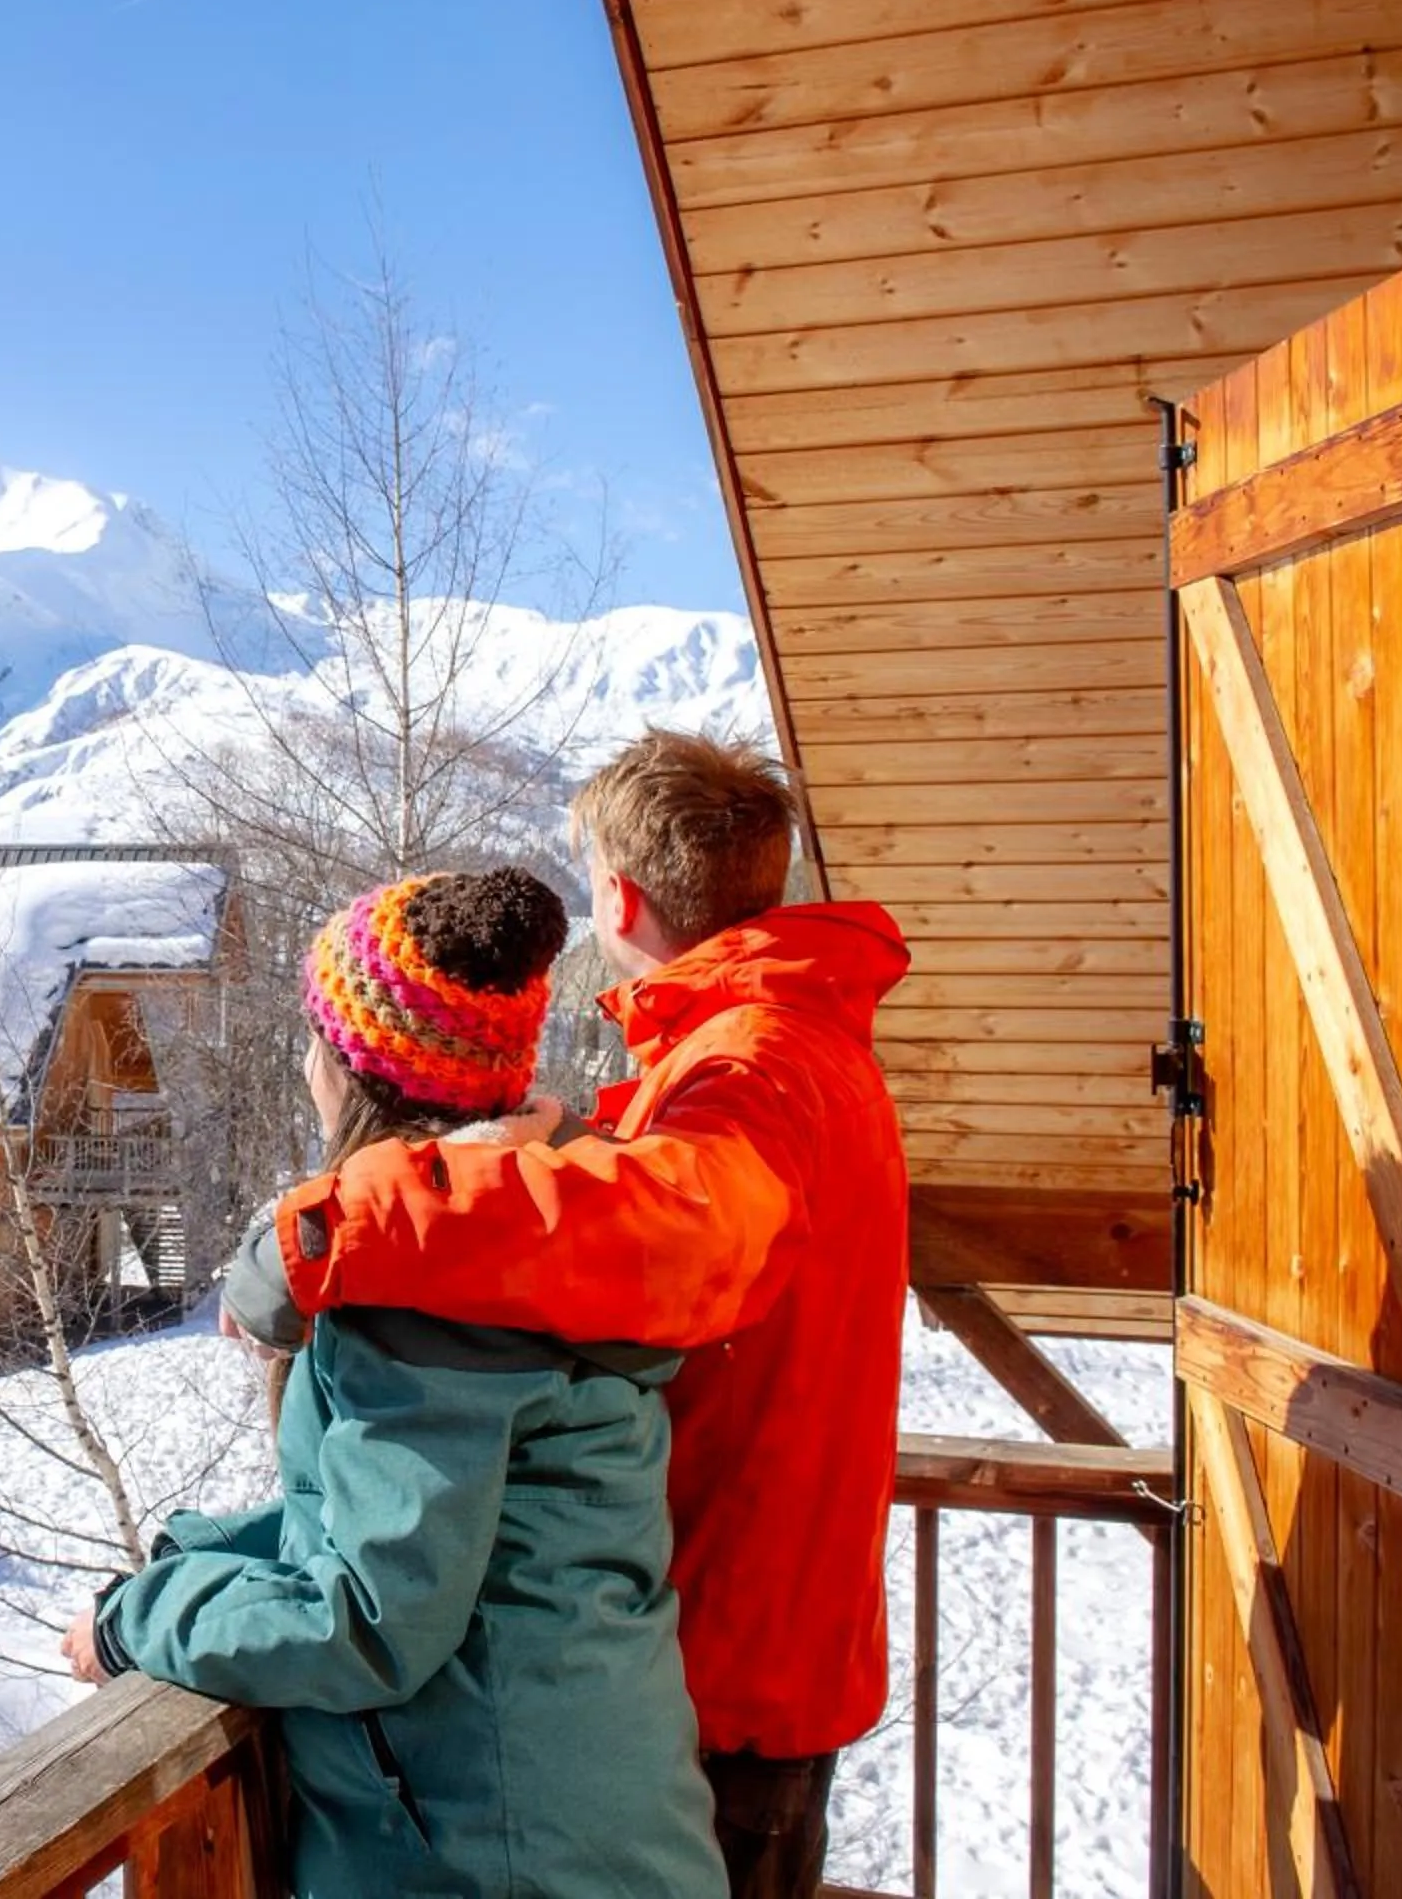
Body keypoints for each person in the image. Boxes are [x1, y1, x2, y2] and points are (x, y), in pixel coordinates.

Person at [251, 731, 911, 1899]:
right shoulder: (792, 1045)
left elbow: (677, 1236)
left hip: (730, 1652)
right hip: (764, 1628)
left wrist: (335, 1224)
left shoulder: (749, 1065)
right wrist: (574, 1148)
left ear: (620, 891)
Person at [59, 866, 728, 1899]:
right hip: (583, 1826)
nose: (306, 1060)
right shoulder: (539, 1235)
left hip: (491, 1859)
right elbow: (415, 1521)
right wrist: (203, 1552)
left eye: (315, 1036)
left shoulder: (435, 1296)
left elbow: (368, 1623)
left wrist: (138, 1619)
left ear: (350, 1070)